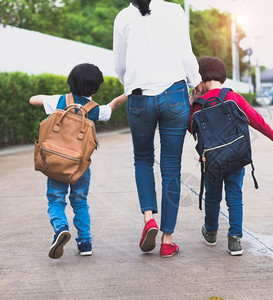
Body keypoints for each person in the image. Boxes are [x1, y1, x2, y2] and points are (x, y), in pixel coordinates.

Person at [113, 0, 202, 257]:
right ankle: (167, 239)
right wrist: (195, 83)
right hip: (173, 94)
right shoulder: (175, 11)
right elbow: (186, 54)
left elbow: (119, 65)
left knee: (142, 159)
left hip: (139, 97)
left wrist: (131, 83)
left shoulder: (123, 17)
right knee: (171, 166)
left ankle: (149, 219)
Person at [29, 63, 127, 259]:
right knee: (80, 202)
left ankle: (60, 229)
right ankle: (85, 243)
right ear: (96, 88)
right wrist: (130, 92)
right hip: (79, 168)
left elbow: (33, 100)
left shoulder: (59, 101)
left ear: (70, 82)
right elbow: (113, 105)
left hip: (55, 163)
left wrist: (51, 99)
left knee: (56, 200)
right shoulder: (95, 110)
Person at [189, 57, 273, 255]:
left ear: (201, 78)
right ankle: (235, 239)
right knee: (234, 195)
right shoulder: (233, 97)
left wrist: (192, 101)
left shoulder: (199, 103)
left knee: (212, 196)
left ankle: (211, 232)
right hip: (236, 156)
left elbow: (190, 127)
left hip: (211, 160)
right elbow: (255, 119)